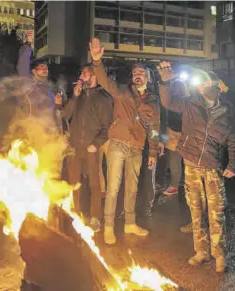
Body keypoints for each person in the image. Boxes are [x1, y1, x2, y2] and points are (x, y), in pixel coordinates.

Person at [157, 62, 235, 273]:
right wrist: (166, 81)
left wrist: (233, 164)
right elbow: (168, 102)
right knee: (195, 209)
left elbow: (234, 139)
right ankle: (201, 251)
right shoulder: (190, 103)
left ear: (214, 85)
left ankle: (219, 255)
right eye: (199, 83)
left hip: (212, 167)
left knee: (216, 212)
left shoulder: (226, 110)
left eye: (205, 82)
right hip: (191, 163)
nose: (201, 86)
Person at [89, 38, 160, 244]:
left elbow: (155, 129)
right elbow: (103, 79)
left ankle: (130, 224)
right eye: (135, 73)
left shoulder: (153, 100)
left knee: (132, 188)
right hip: (118, 144)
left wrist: (153, 152)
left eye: (141, 73)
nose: (137, 75)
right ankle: (109, 227)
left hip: (137, 148)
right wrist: (96, 61)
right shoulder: (121, 91)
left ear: (147, 77)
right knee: (113, 187)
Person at [57, 65, 112, 232]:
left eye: (84, 74)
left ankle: (95, 217)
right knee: (74, 183)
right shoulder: (78, 96)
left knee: (94, 184)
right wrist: (73, 97)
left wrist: (95, 144)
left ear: (93, 76)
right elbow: (65, 115)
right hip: (74, 147)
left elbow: (107, 127)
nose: (81, 76)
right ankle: (76, 213)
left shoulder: (103, 98)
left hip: (91, 149)